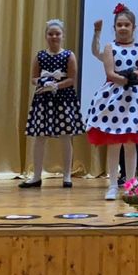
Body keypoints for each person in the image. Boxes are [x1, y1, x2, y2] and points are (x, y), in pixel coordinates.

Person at [86, 3, 138, 200]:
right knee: (114, 144)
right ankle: (112, 185)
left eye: (127, 25)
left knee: (130, 144)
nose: (123, 28)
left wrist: (134, 76)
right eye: (119, 25)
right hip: (114, 98)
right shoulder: (110, 47)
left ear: (133, 27)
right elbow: (110, 72)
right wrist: (125, 78)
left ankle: (130, 184)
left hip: (133, 100)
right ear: (114, 27)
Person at [20, 19, 84, 189]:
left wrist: (56, 85)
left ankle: (67, 175)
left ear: (63, 36)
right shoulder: (40, 56)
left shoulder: (69, 55)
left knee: (65, 137)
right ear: (46, 36)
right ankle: (36, 176)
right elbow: (33, 78)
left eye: (57, 34)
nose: (54, 37)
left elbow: (71, 79)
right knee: (40, 137)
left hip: (64, 99)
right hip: (43, 100)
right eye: (50, 34)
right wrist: (43, 82)